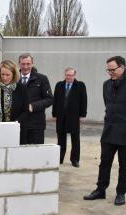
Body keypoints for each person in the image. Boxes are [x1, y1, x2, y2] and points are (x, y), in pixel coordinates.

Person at [84, 56, 126, 206]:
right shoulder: (106, 85)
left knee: (124, 165)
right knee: (104, 163)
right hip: (109, 130)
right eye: (108, 70)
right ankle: (100, 190)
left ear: (122, 67)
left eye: (113, 70)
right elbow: (108, 105)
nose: (110, 73)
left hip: (124, 132)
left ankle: (121, 193)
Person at [52, 67, 87, 167]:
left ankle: (75, 159)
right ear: (65, 75)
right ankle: (60, 158)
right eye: (67, 75)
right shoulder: (59, 85)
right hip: (61, 116)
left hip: (74, 116)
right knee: (61, 139)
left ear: (74, 75)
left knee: (75, 139)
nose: (69, 77)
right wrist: (54, 114)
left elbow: (84, 100)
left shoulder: (80, 85)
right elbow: (55, 100)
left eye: (71, 75)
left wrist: (83, 115)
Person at [18, 53, 53, 145]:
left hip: (36, 125)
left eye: (28, 64)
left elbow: (49, 99)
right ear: (19, 64)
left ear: (32, 64)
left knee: (36, 154)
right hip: (18, 124)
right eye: (23, 64)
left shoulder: (42, 79)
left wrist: (33, 106)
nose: (25, 67)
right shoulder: (13, 78)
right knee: (18, 154)